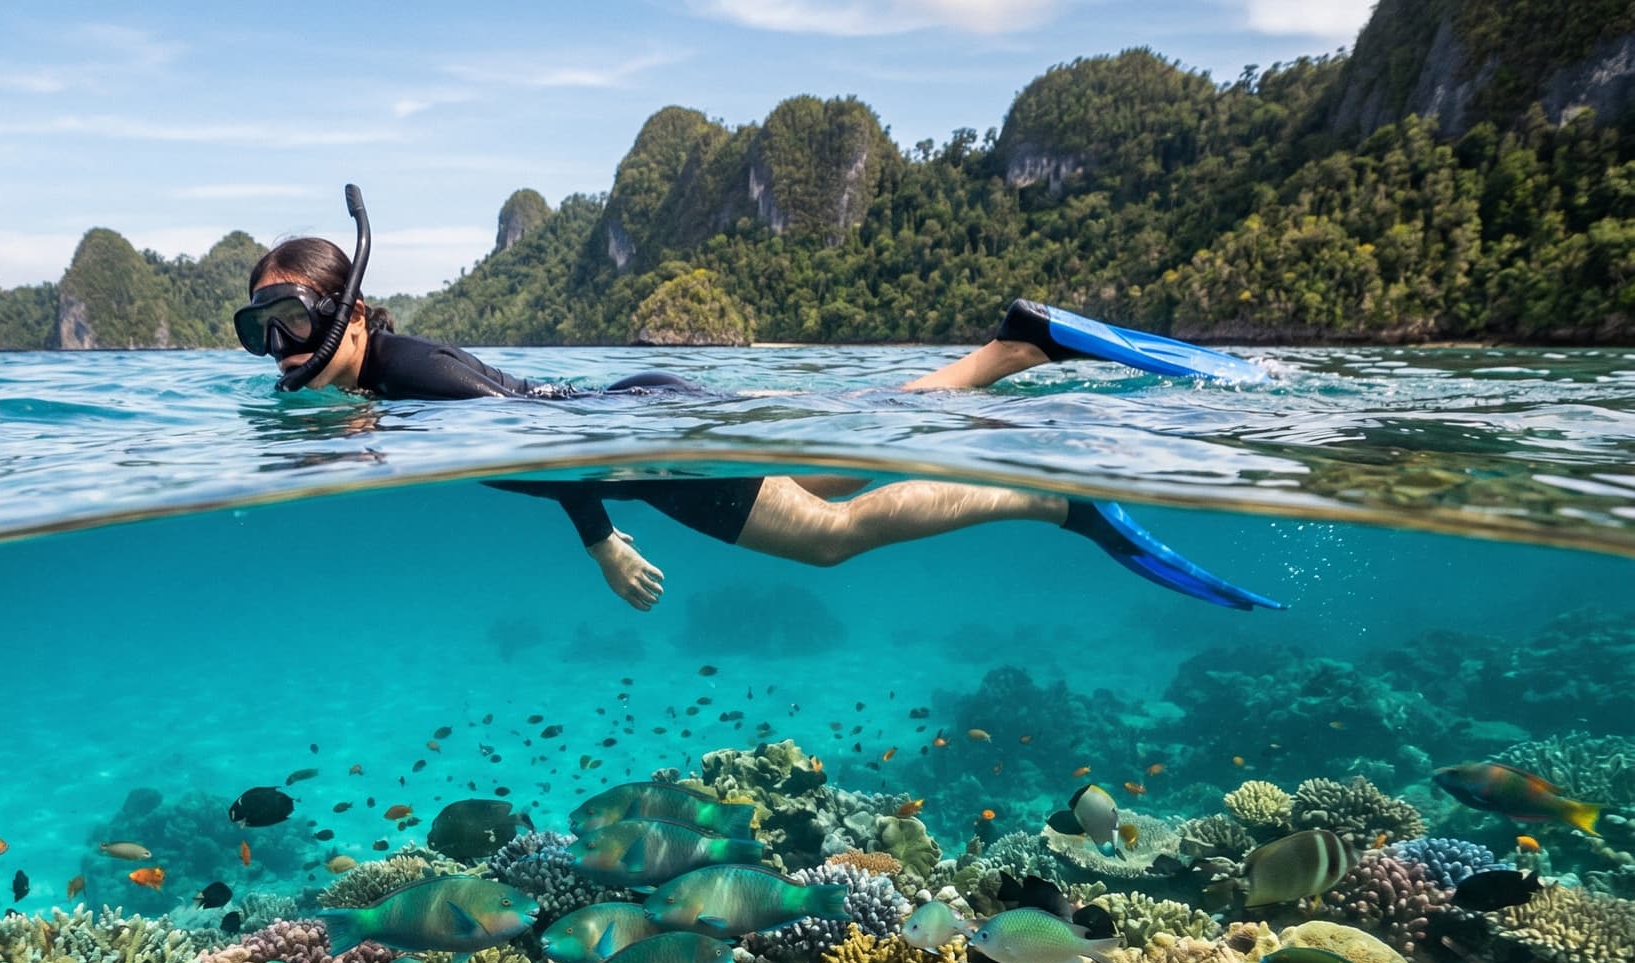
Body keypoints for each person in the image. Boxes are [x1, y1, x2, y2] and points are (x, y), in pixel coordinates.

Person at [236, 217, 1281, 615]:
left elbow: (545, 448)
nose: (282, 350)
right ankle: (1015, 345)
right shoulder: (391, 384)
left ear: (351, 309)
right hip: (648, 426)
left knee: (829, 537)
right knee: (833, 463)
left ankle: (1053, 501)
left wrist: (599, 542)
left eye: (291, 319)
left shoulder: (411, 379)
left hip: (650, 450)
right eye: (260, 329)